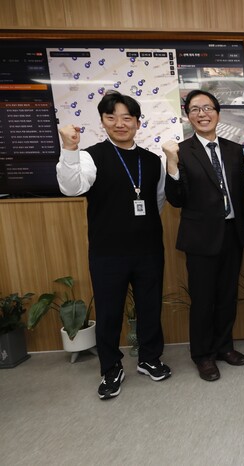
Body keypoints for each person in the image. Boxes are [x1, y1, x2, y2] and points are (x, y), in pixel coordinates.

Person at [56, 90, 171, 400]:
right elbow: (71, 188)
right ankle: (111, 368)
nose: (120, 124)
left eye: (127, 118)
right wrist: (69, 148)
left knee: (150, 307)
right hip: (107, 252)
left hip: (149, 249)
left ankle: (149, 358)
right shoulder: (90, 156)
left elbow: (158, 200)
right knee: (109, 312)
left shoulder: (152, 160)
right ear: (103, 122)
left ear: (137, 122)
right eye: (112, 117)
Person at [163, 90, 244, 382]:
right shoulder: (181, 151)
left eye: (208, 108)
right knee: (203, 300)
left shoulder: (234, 149)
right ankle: (202, 355)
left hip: (232, 234)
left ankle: (224, 347)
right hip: (200, 238)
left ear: (218, 112)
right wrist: (171, 164)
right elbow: (176, 199)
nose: (202, 114)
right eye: (195, 109)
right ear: (188, 116)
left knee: (227, 297)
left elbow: (241, 195)